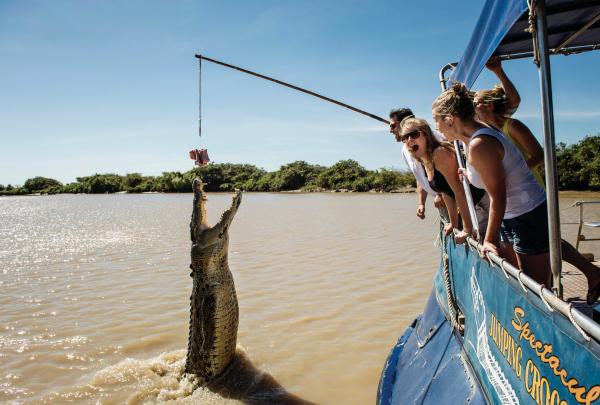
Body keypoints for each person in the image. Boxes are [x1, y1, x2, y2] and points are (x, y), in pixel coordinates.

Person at [432, 83, 600, 304]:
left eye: (437, 120)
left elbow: (498, 196)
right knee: (526, 277)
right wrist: (469, 173)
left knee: (536, 288)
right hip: (514, 216)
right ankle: (594, 275)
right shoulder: (475, 138)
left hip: (526, 214)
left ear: (451, 118)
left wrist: (489, 240)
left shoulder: (479, 144)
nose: (436, 127)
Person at [399, 117, 489, 243]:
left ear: (426, 134)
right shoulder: (425, 160)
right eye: (405, 137)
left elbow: (459, 192)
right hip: (471, 206)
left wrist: (467, 229)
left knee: (489, 245)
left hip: (483, 202)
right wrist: (453, 223)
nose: (409, 140)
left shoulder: (439, 154)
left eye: (414, 134)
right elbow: (446, 192)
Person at [474, 85, 545, 187]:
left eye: (475, 104)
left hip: (532, 191)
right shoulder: (488, 134)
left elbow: (540, 157)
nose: (473, 109)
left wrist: (509, 174)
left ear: (489, 106)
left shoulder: (512, 126)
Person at [389, 108, 444, 220]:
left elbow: (449, 169)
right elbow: (419, 177)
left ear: (405, 123)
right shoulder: (405, 149)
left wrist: (441, 194)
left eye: (393, 126)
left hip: (456, 199)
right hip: (442, 203)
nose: (391, 130)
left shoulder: (434, 139)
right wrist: (421, 203)